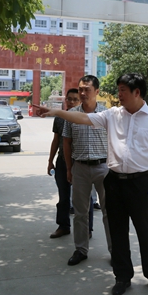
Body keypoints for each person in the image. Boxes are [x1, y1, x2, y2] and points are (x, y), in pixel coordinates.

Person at [34, 73, 148, 295]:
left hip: (141, 183)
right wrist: (57, 112)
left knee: (146, 231)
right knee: (117, 232)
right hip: (114, 181)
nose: (119, 94)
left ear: (137, 92)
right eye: (119, 89)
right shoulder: (112, 115)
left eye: (123, 90)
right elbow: (83, 118)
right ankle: (122, 277)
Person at [62, 75, 112, 266]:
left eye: (87, 89)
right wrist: (69, 168)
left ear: (97, 91)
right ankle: (81, 249)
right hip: (80, 168)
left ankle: (115, 251)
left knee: (109, 212)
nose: (82, 93)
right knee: (80, 213)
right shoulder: (71, 114)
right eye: (80, 89)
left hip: (104, 168)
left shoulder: (107, 114)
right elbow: (67, 142)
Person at [47, 88, 80, 238]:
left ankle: (87, 229)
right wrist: (50, 161)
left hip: (80, 162)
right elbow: (56, 141)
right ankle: (63, 226)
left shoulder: (84, 118)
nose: (72, 102)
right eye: (69, 99)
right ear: (65, 100)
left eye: (75, 99)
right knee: (63, 197)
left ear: (80, 101)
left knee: (83, 198)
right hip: (62, 161)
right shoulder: (60, 118)